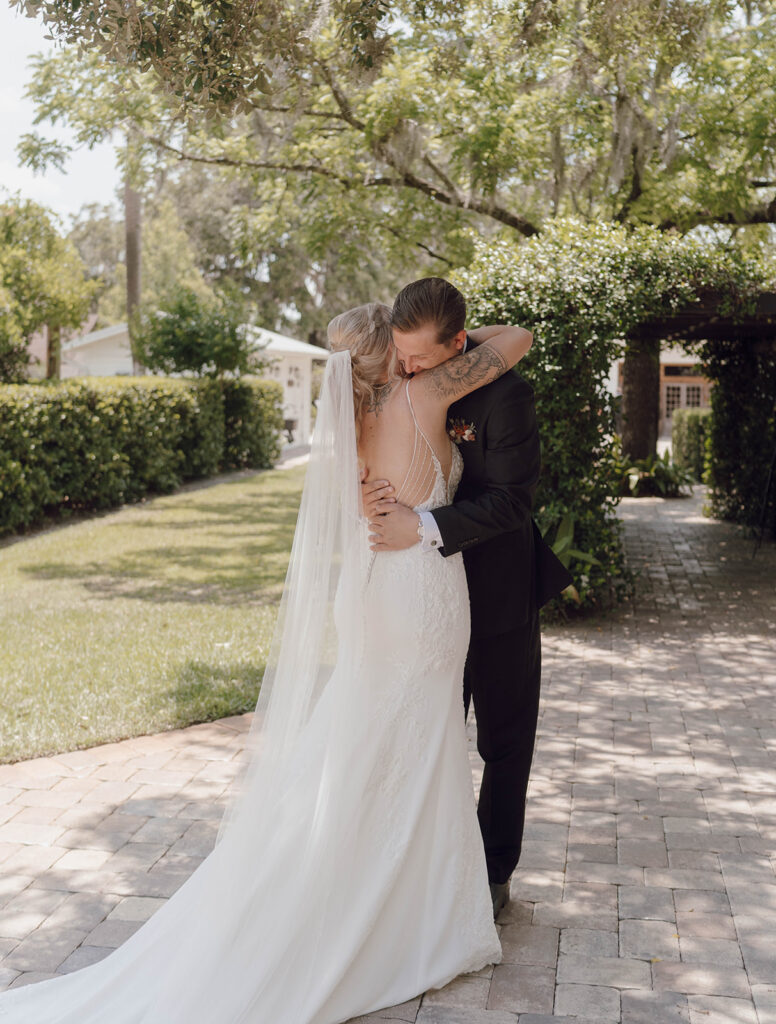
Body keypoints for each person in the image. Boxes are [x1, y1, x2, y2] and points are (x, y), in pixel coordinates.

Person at [0, 301, 534, 1024]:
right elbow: (516, 338)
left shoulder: (346, 420)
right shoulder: (427, 393)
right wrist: (441, 350)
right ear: (391, 354)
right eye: (401, 348)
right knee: (419, 746)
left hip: (369, 592)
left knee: (371, 744)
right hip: (420, 594)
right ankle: (414, 913)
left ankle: (366, 887)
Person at [363, 278, 573, 920]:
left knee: (504, 741)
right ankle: (420, 865)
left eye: (420, 356)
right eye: (401, 352)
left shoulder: (507, 395)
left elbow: (511, 503)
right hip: (424, 599)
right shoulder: (398, 379)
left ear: (459, 343)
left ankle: (492, 872)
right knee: (429, 728)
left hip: (498, 589)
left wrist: (421, 527)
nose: (406, 367)